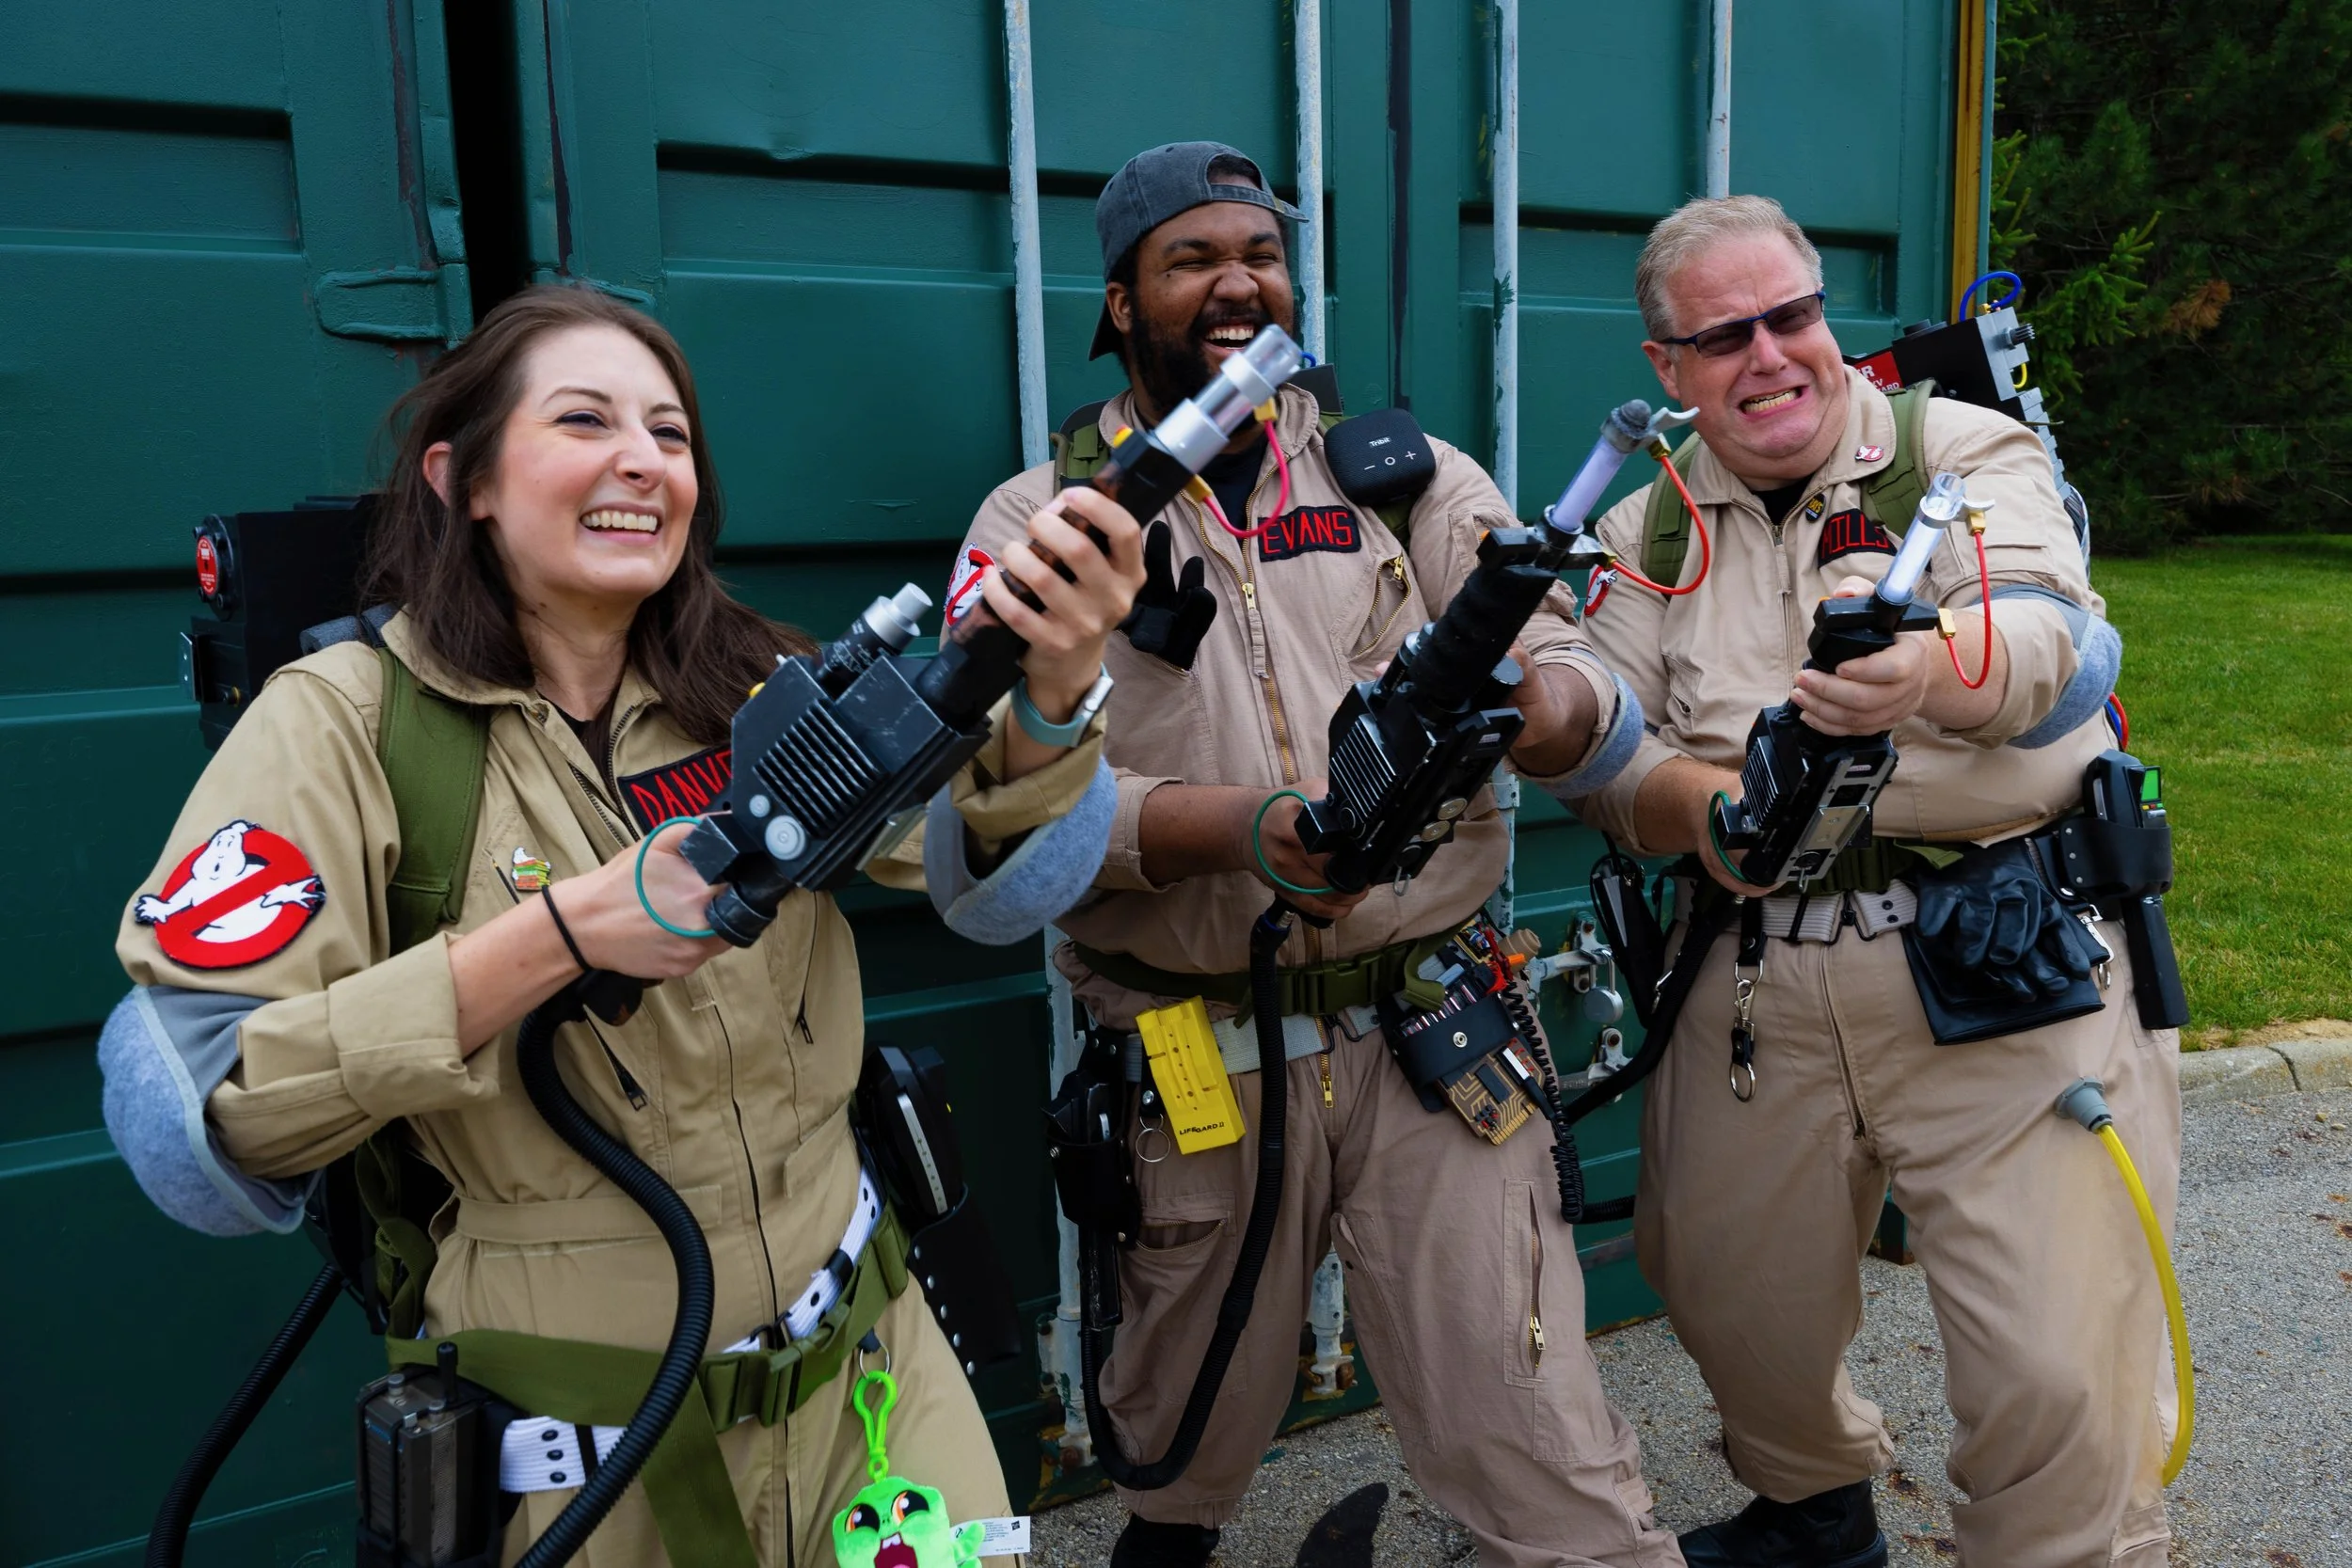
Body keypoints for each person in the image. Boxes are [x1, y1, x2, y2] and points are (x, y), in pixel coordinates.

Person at [109, 284, 1144, 1565]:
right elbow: (194, 1128)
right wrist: (557, 937)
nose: (640, 462)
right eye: (585, 419)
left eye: (671, 434)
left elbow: (993, 883)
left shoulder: (756, 683)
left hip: (879, 1394)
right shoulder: (335, 727)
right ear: (464, 478)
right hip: (592, 1461)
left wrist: (1047, 694)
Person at [953, 142, 1677, 1568]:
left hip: (1438, 1033)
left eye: (1262, 253)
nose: (1239, 281)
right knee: (1178, 1426)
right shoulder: (1044, 524)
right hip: (1193, 1045)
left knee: (1535, 1424)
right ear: (1118, 301)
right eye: (1193, 258)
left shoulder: (1404, 478)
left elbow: (1585, 684)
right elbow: (1008, 815)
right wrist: (1241, 831)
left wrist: (1535, 704)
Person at [1565, 196, 2177, 1568]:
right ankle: (1815, 1517)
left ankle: (2063, 1552)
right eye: (1726, 336)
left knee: (2057, 1355)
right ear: (1670, 366)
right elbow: (1605, 748)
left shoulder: (1963, 449)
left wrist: (1931, 670)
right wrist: (1695, 816)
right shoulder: (1644, 534)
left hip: (1999, 944)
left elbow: (2057, 633)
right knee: (1727, 1288)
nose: (1773, 356)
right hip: (1755, 967)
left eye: (1793, 315)